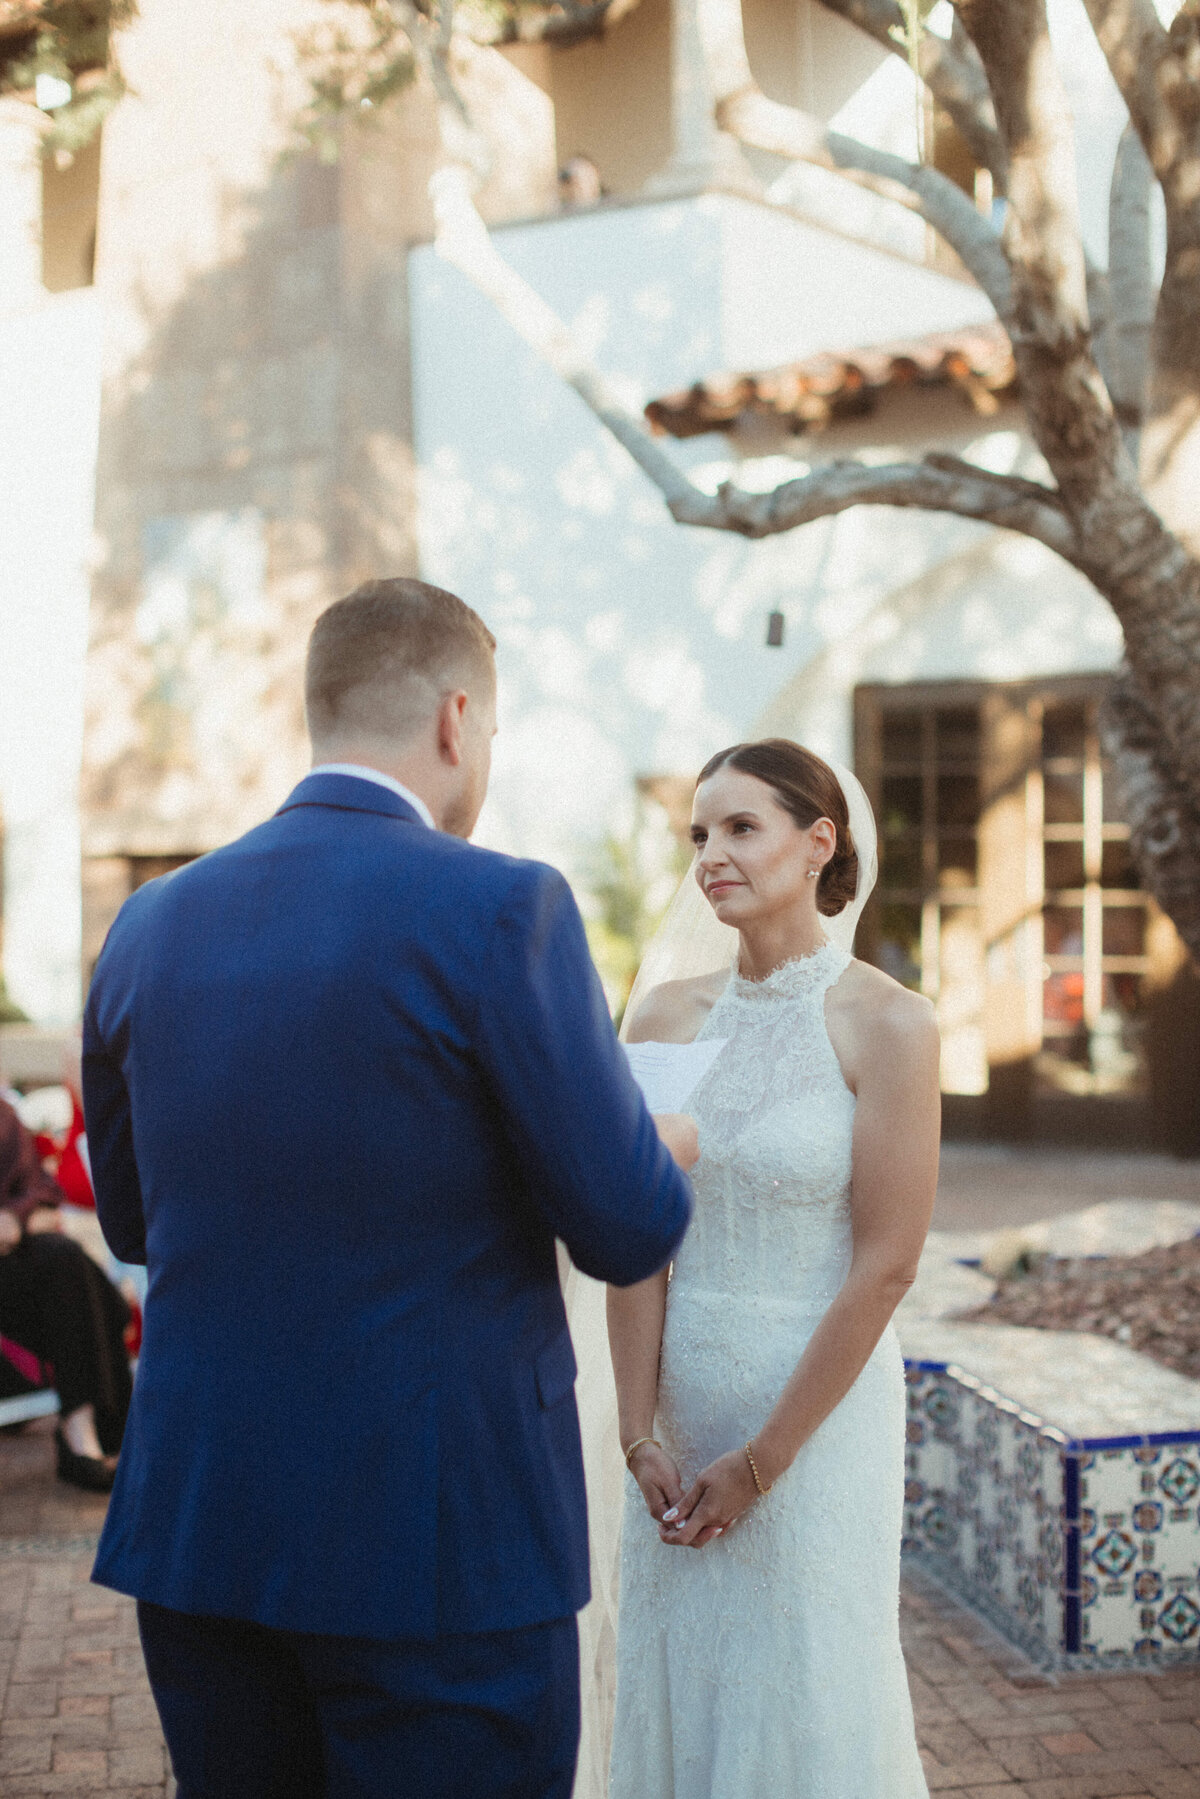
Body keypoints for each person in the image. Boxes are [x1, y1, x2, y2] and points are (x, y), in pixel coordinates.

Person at [82, 576, 695, 1799]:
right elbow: (628, 1226)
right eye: (493, 732)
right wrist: (659, 1134)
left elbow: (135, 1222)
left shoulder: (147, 922)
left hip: (206, 1530)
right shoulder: (502, 905)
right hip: (440, 1545)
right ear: (459, 719)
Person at [605, 738, 940, 1797]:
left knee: (808, 1680)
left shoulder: (890, 1023)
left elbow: (887, 1265)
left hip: (817, 1421)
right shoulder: (663, 1016)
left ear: (818, 842)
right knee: (684, 1682)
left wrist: (763, 1460)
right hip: (680, 1417)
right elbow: (635, 1237)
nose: (711, 854)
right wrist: (637, 1430)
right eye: (700, 832)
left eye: (742, 827)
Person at [0, 1091, 132, 1490]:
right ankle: (102, 1434)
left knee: (65, 1260)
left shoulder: (3, 1117)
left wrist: (15, 1218)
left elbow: (40, 1191)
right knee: (94, 1290)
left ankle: (82, 1428)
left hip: (12, 1259)